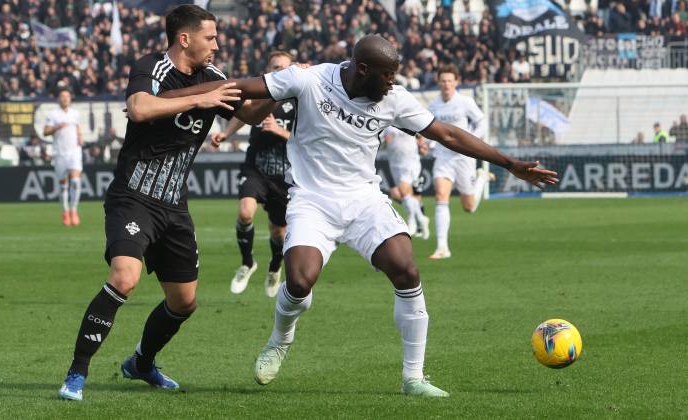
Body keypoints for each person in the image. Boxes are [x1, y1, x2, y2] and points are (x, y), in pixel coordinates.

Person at [159, 34, 558, 397]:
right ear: (363, 69)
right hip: (313, 200)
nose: (393, 82)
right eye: (388, 75)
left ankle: (413, 378)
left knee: (407, 270)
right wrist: (171, 95)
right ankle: (280, 340)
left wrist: (509, 163)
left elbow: (448, 134)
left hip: (364, 200)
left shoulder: (394, 99)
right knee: (299, 281)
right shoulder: (310, 79)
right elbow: (239, 88)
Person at [58, 5, 274, 401]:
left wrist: (283, 90)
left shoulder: (214, 78)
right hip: (133, 196)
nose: (216, 44)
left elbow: (252, 115)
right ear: (185, 38)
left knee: (185, 301)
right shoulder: (151, 67)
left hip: (174, 206)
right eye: (210, 37)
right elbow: (140, 108)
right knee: (125, 277)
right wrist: (199, 101)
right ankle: (76, 373)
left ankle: (141, 363)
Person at [209, 51, 295, 298]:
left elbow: (309, 140)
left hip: (285, 175)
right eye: (275, 67)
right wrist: (226, 134)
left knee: (279, 232)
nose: (279, 71)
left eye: (284, 67)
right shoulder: (260, 91)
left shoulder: (300, 98)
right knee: (245, 212)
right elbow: (245, 114)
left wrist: (280, 131)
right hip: (255, 168)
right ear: (267, 71)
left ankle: (274, 267)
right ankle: (247, 263)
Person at [427, 64, 494, 260]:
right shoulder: (433, 105)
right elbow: (430, 129)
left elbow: (482, 121)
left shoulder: (465, 102)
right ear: (438, 82)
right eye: (443, 81)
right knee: (440, 195)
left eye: (449, 81)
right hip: (443, 156)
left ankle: (481, 179)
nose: (446, 84)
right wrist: (426, 143)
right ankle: (442, 247)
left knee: (469, 207)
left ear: (456, 82)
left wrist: (470, 140)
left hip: (464, 157)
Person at [43, 88, 84, 226]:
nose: (65, 98)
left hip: (74, 152)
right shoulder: (53, 114)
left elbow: (78, 128)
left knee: (76, 182)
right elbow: (45, 131)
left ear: (70, 99)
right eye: (62, 96)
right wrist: (56, 127)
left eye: (67, 96)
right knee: (63, 185)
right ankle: (65, 211)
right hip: (60, 153)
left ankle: (74, 210)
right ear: (59, 99)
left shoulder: (75, 113)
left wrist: (80, 136)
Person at [382, 126, 429, 239]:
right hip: (394, 164)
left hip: (410, 162)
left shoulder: (407, 122)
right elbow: (380, 144)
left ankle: (412, 221)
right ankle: (421, 219)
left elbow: (421, 137)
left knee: (404, 192)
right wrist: (385, 141)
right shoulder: (386, 125)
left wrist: (423, 146)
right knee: (403, 195)